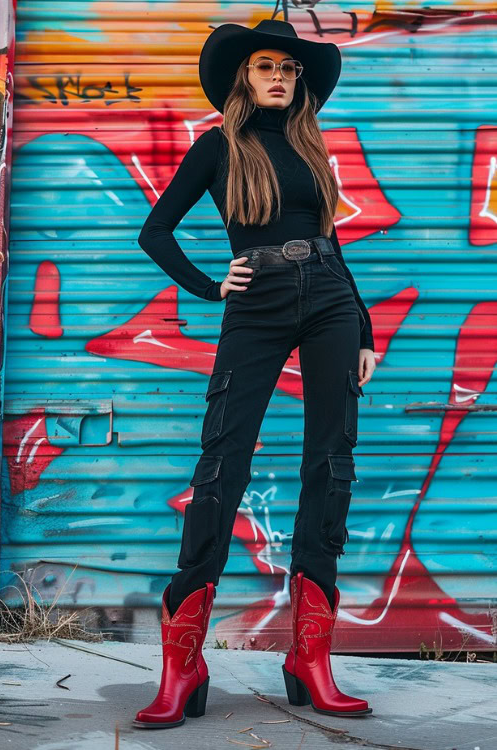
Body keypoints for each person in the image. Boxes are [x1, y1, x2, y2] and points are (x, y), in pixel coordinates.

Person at [133, 19, 376, 730]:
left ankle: (311, 660)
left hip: (330, 300)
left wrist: (361, 327)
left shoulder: (309, 146)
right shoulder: (218, 147)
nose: (279, 76)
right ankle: (183, 665)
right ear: (244, 76)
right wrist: (211, 287)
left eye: (290, 69)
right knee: (220, 468)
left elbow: (330, 243)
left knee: (331, 463)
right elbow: (156, 231)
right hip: (257, 305)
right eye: (266, 65)